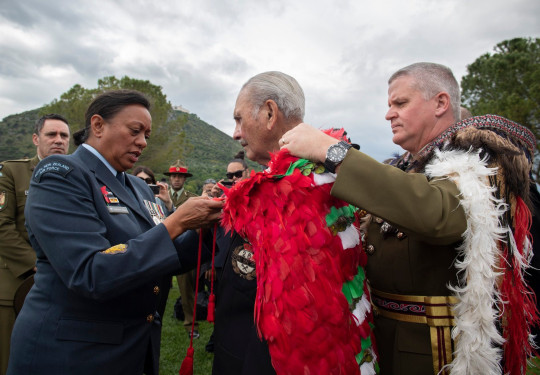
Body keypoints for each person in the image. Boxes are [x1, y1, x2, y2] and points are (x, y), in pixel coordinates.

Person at [280, 62, 538, 375]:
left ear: (441, 103)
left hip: (436, 352)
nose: (389, 114)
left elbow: (439, 215)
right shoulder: (407, 165)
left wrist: (334, 152)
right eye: (389, 105)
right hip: (387, 339)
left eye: (400, 103)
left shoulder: (479, 159)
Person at [7, 90, 223, 375]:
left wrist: (204, 229)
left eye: (147, 134)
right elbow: (91, 273)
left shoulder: (137, 187)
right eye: (135, 131)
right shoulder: (61, 174)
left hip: (130, 349)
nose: (143, 142)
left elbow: (166, 254)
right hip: (73, 356)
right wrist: (177, 222)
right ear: (97, 125)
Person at [214, 71, 376, 374]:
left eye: (239, 119)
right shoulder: (329, 177)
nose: (235, 133)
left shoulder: (316, 182)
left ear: (270, 113)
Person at [0, 113, 70, 375]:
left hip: (66, 287)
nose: (58, 141)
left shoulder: (80, 175)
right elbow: (2, 226)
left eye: (64, 136)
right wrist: (36, 264)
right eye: (51, 134)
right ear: (35, 138)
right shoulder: (12, 171)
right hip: (19, 283)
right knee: (10, 360)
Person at [132, 165, 174, 320]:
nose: (144, 184)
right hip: (137, 261)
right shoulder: (125, 201)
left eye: (148, 181)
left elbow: (173, 230)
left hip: (159, 263)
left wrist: (168, 203)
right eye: (139, 180)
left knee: (157, 311)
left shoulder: (158, 203)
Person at [164, 160, 200, 338]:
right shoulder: (158, 196)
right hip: (160, 245)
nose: (176, 179)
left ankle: (190, 324)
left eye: (180, 176)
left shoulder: (192, 197)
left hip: (182, 246)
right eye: (174, 176)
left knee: (187, 288)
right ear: (170, 178)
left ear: (185, 179)